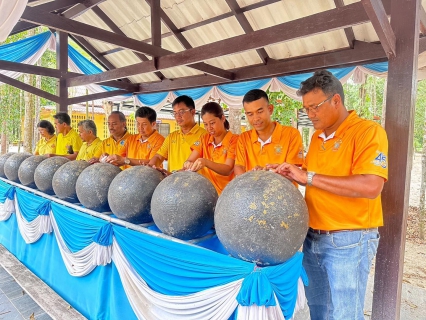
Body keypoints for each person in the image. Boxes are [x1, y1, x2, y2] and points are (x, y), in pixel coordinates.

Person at [273, 70, 388, 320]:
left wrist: (308, 177)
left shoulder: (367, 132)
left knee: (345, 313)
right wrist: (292, 173)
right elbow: (320, 175)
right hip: (313, 236)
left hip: (348, 240)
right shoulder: (317, 137)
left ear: (336, 100)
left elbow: (371, 186)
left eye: (315, 107)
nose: (309, 114)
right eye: (306, 108)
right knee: (319, 310)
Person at [234, 89, 303, 177]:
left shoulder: (291, 134)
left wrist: (265, 175)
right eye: (250, 114)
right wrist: (250, 179)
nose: (255, 118)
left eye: (260, 111)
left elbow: (293, 173)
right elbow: (239, 166)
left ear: (270, 109)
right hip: (251, 189)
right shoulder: (244, 138)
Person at [183, 102, 238, 195]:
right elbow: (190, 159)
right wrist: (188, 164)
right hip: (206, 195)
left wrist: (205, 162)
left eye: (212, 123)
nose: (209, 128)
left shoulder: (235, 140)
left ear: (223, 118)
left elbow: (228, 169)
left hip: (227, 195)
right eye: (205, 124)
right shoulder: (204, 139)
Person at [148, 95, 206, 172]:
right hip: (173, 182)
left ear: (192, 112)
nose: (178, 116)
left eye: (181, 112)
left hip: (196, 183)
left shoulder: (205, 135)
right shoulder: (171, 136)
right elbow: (159, 156)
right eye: (175, 113)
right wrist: (150, 166)